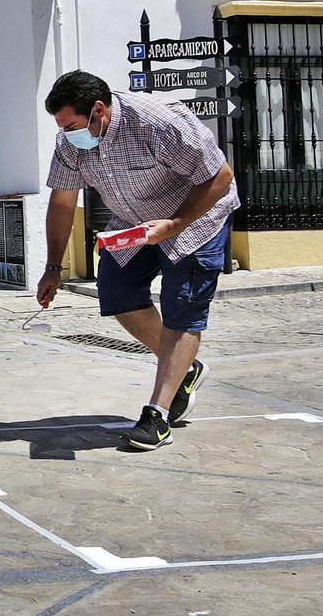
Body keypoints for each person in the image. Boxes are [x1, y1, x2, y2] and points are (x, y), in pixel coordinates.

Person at [36, 70, 238, 451]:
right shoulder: (71, 144)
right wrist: (53, 266)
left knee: (183, 309)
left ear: (100, 110)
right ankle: (184, 368)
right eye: (62, 128)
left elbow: (220, 177)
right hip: (133, 223)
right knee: (116, 293)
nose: (68, 135)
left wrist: (175, 223)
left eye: (73, 126)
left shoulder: (158, 123)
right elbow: (62, 202)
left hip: (197, 219)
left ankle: (157, 418)